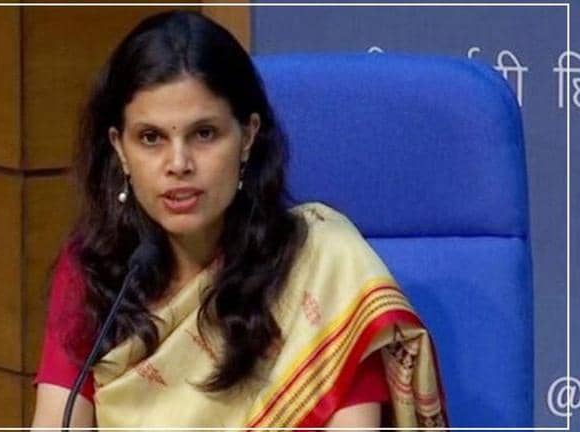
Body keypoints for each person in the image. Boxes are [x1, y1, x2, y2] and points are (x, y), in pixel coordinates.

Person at [31, 10, 448, 429]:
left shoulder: (326, 270)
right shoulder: (95, 271)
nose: (178, 163)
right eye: (151, 138)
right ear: (120, 148)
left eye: (204, 133)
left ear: (247, 136)